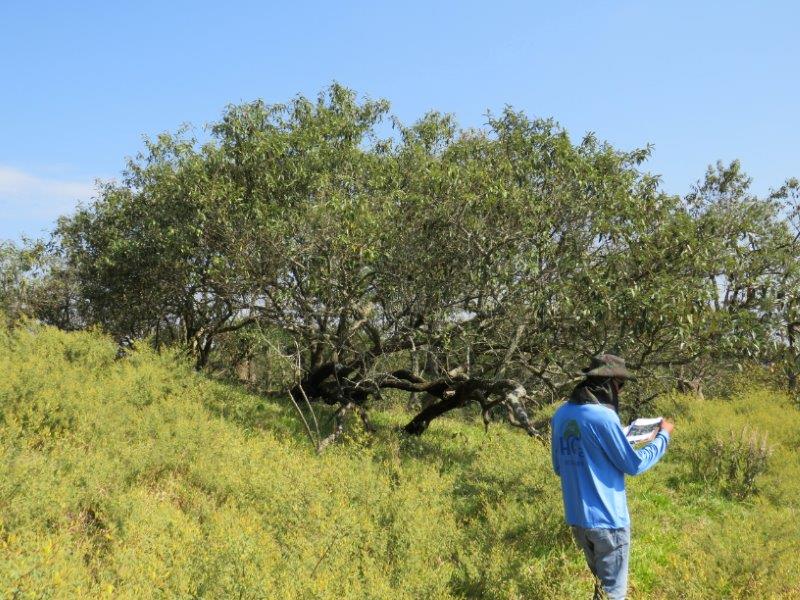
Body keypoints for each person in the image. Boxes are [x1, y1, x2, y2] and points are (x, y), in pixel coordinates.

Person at [550, 354, 674, 600]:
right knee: (614, 595)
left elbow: (559, 466)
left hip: (578, 520)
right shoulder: (604, 418)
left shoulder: (562, 414)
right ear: (609, 383)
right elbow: (635, 465)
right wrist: (663, 437)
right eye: (620, 385)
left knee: (602, 590)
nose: (620, 391)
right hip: (608, 521)